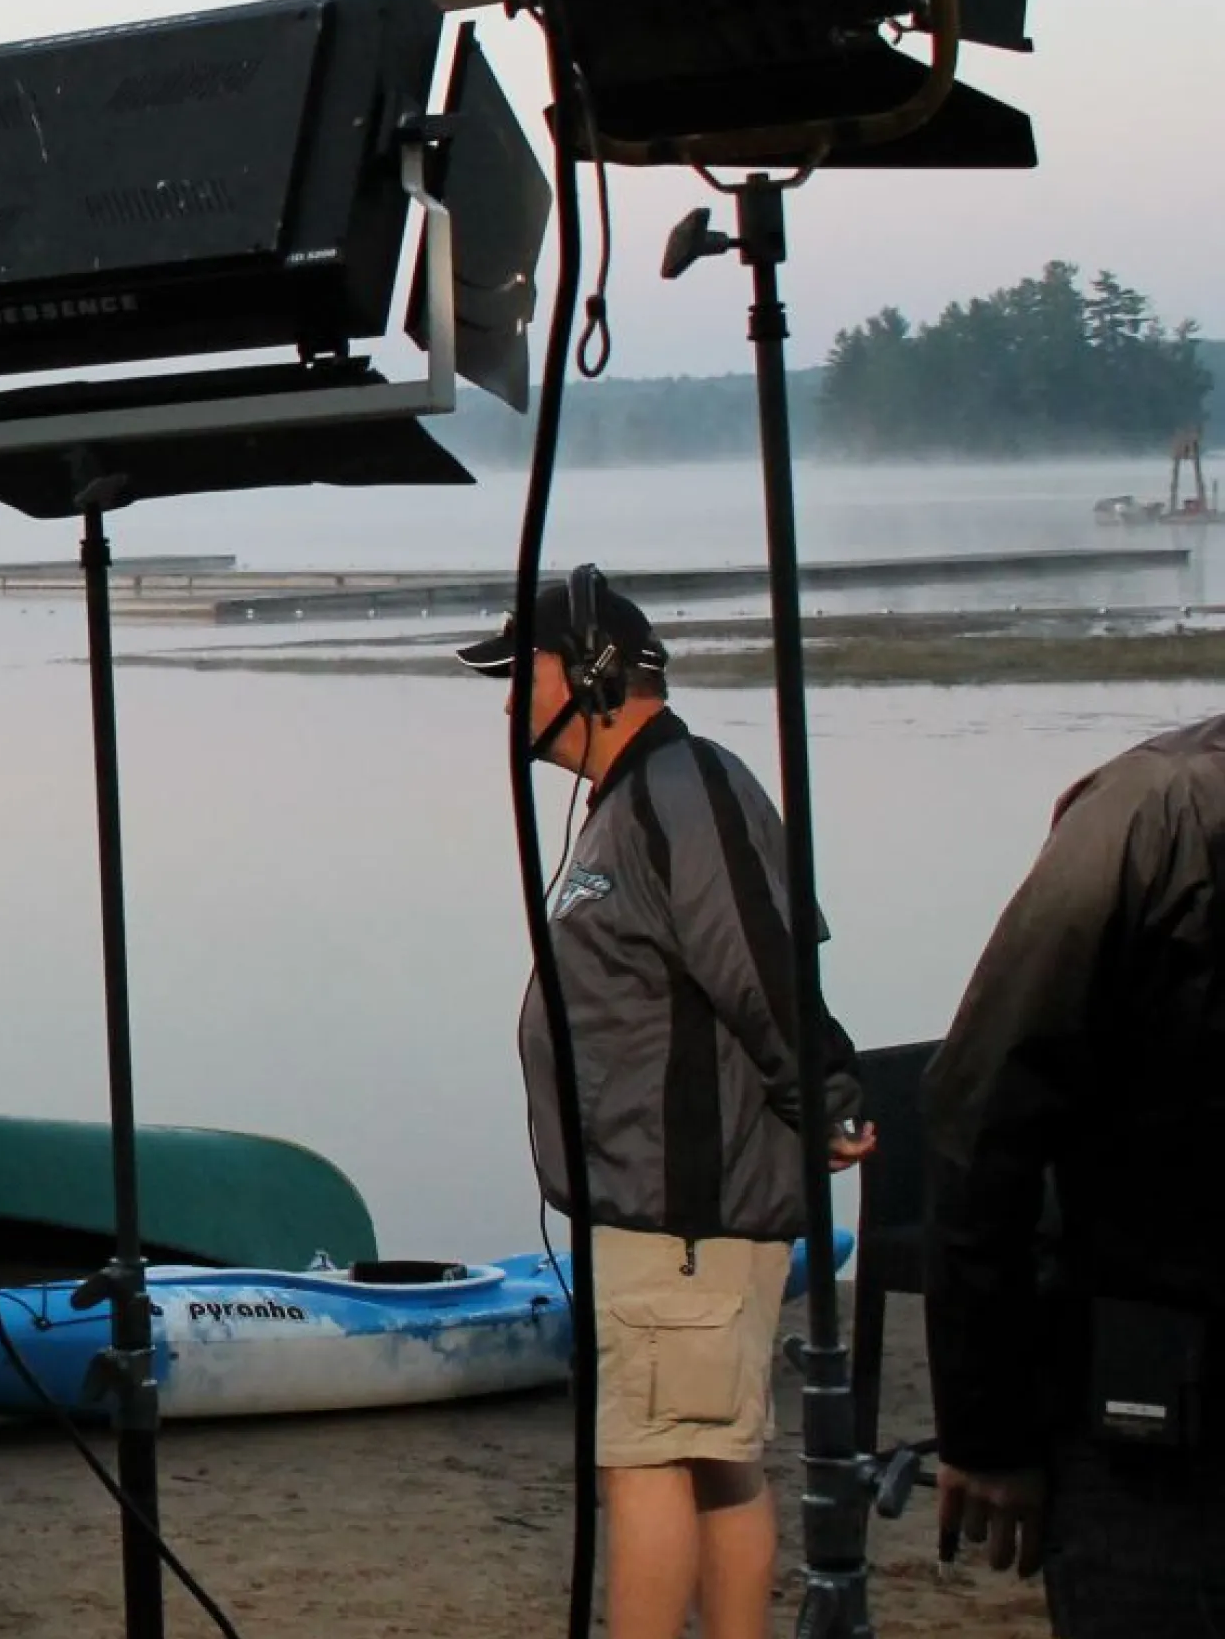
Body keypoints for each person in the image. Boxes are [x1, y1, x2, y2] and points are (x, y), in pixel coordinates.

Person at [459, 572, 872, 1639]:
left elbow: (760, 965)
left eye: (524, 675)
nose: (509, 703)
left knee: (644, 1465)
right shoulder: (639, 799)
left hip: (683, 1212)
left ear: (593, 676)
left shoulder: (688, 788)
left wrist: (825, 1096)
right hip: (666, 1208)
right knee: (710, 1455)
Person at [922, 714, 1225, 1627]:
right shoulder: (1158, 813)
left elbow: (981, 1117)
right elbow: (988, 1119)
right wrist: (989, 1426)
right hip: (1156, 1401)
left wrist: (986, 1434)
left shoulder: (1154, 805)